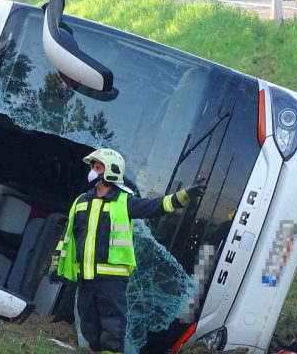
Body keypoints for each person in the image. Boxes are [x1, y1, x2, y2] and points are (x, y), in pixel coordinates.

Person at [50, 148, 207, 353]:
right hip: (85, 276)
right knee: (88, 324)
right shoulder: (81, 202)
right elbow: (67, 238)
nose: (93, 172)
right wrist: (56, 265)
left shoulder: (124, 201)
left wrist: (183, 196)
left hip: (112, 278)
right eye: (93, 168)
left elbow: (156, 206)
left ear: (111, 171)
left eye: (98, 168)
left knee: (113, 324)